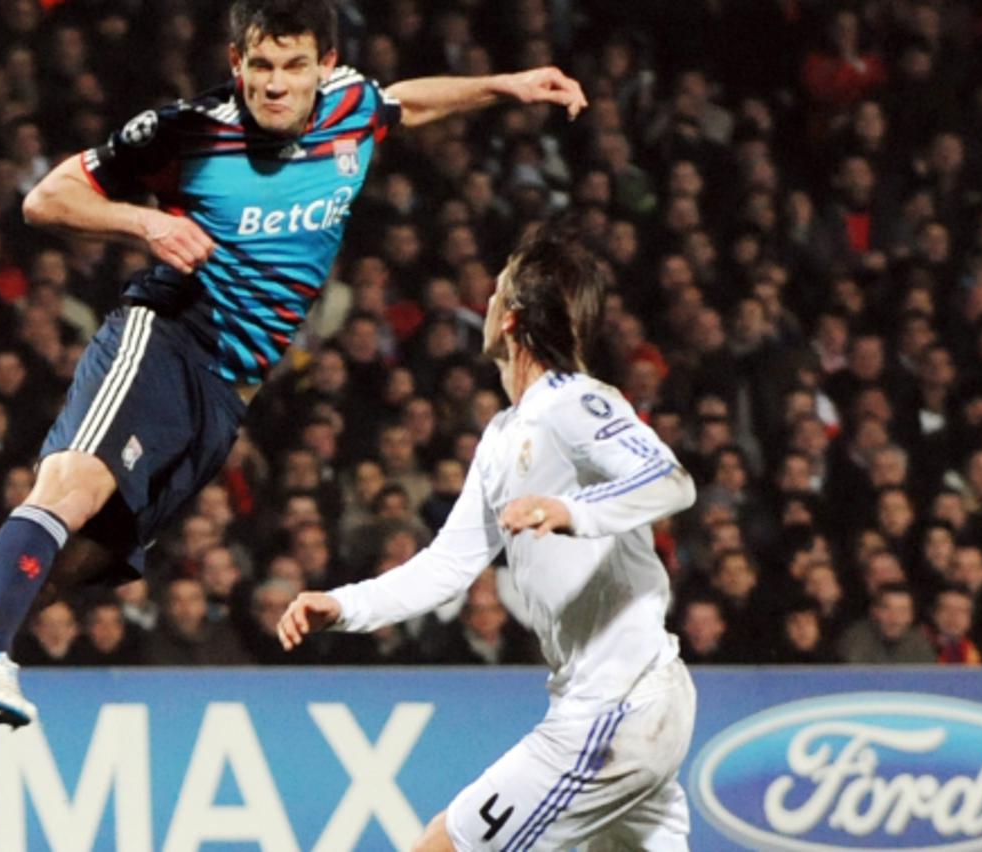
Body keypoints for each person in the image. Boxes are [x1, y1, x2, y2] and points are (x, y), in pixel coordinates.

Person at [0, 0, 588, 840]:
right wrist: (143, 219)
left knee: (47, 575)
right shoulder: (187, 131)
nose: (273, 85)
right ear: (236, 60)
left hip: (224, 400)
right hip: (167, 335)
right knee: (69, 486)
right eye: (259, 66)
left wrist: (503, 87)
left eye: (291, 67)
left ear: (324, 64)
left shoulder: (354, 106)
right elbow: (45, 199)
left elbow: (407, 103)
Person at [279, 226, 697, 850]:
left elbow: (669, 480)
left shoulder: (574, 401)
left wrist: (569, 509)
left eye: (497, 290)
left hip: (617, 708)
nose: (487, 301)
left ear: (512, 320)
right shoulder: (505, 434)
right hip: (624, 709)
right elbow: (447, 564)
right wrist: (343, 606)